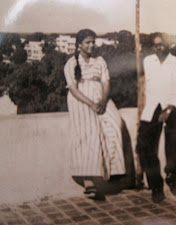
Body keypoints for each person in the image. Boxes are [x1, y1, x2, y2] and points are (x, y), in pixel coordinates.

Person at [64, 29, 126, 200]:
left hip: (100, 98)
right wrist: (90, 104)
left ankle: (113, 170)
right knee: (88, 133)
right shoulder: (71, 63)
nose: (91, 45)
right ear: (79, 45)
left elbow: (106, 82)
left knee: (115, 123)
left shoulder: (99, 61)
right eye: (87, 42)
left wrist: (104, 100)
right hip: (81, 100)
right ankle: (88, 181)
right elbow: (73, 89)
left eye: (93, 42)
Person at [136, 32, 176, 203]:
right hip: (153, 106)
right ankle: (156, 186)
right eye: (155, 45)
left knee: (173, 137)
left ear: (168, 45)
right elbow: (147, 87)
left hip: (174, 105)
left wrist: (169, 108)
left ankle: (171, 172)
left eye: (161, 44)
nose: (158, 48)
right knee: (143, 145)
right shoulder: (148, 62)